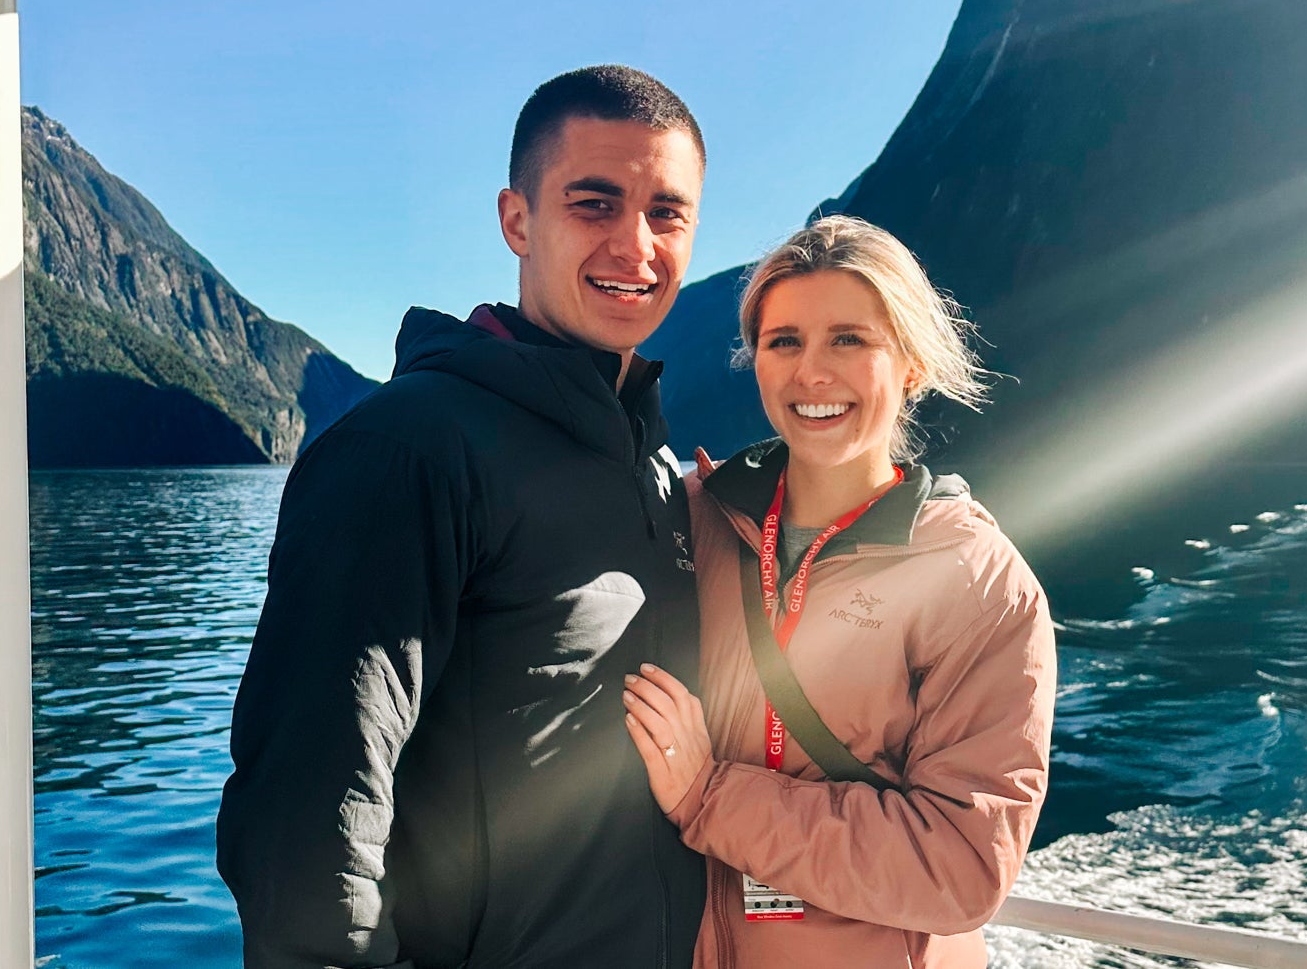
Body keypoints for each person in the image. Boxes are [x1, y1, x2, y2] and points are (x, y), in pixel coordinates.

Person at [217, 65, 708, 969]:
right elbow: (307, 816)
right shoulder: (407, 450)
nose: (635, 246)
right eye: (594, 203)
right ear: (517, 220)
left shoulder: (655, 468)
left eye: (666, 212)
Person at [622, 215, 1057, 968]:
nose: (811, 373)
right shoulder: (690, 516)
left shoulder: (979, 580)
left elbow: (961, 863)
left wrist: (709, 795)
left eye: (849, 340)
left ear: (912, 363)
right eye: (783, 340)